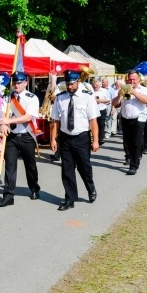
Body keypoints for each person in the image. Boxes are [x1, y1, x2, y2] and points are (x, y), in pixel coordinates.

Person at [50, 70, 99, 211]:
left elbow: (93, 121)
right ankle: (69, 198)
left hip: (81, 137)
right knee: (67, 169)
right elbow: (56, 121)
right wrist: (53, 139)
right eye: (67, 84)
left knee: (84, 167)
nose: (69, 87)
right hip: (65, 138)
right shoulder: (60, 98)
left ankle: (91, 188)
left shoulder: (87, 97)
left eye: (72, 84)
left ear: (78, 81)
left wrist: (95, 140)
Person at [0, 72, 40, 206]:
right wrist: (3, 123)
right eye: (14, 82)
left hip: (26, 136)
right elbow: (3, 112)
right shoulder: (8, 97)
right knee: (10, 167)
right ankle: (8, 196)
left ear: (25, 83)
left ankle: (34, 188)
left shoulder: (32, 98)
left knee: (30, 165)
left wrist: (8, 120)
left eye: (19, 82)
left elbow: (28, 117)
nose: (16, 85)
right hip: (12, 137)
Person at [111, 70, 147, 175]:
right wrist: (119, 95)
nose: (132, 81)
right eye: (130, 79)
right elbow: (115, 104)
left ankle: (133, 166)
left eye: (134, 79)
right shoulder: (123, 88)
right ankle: (131, 156)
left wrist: (135, 93)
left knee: (136, 142)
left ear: (138, 79)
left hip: (139, 118)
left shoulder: (143, 89)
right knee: (128, 142)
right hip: (126, 118)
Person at [92, 78, 110, 145]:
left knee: (101, 125)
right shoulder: (91, 91)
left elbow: (108, 100)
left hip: (101, 110)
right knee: (94, 125)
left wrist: (100, 101)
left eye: (96, 85)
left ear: (99, 85)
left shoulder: (104, 91)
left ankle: (101, 139)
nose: (95, 86)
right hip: (93, 110)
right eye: (94, 85)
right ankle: (95, 139)